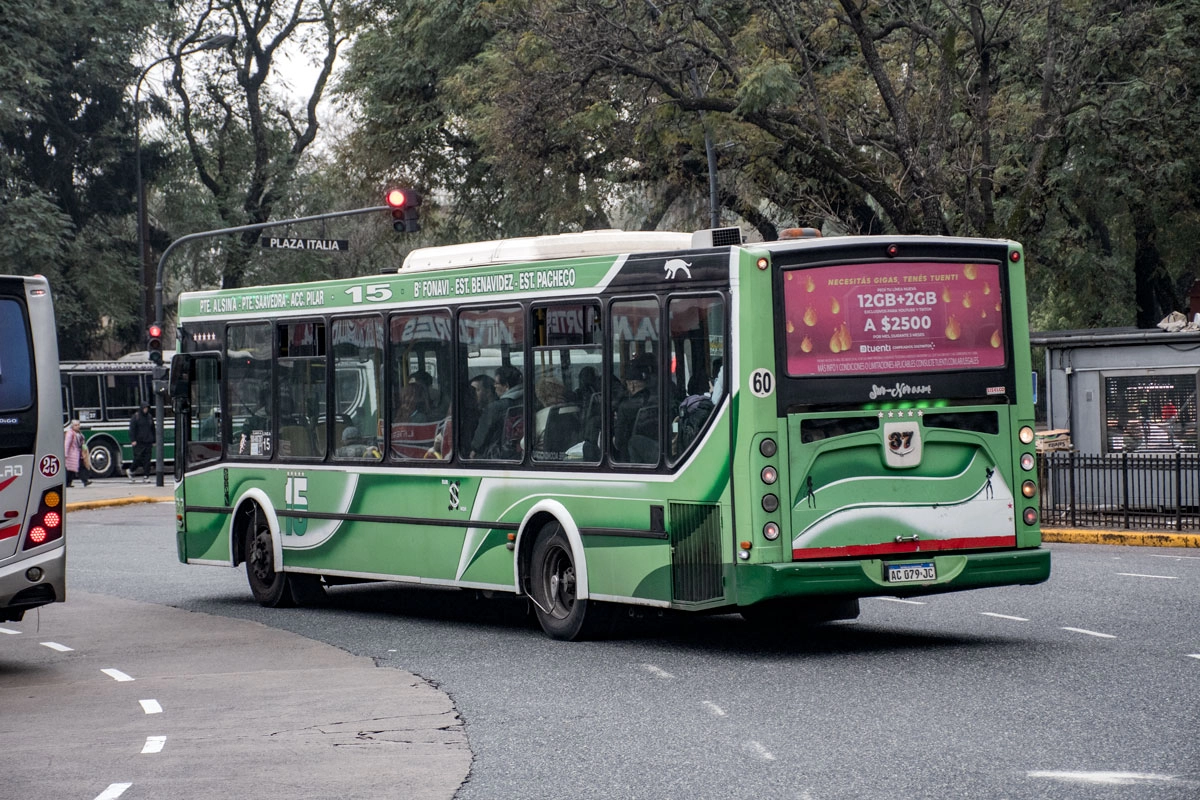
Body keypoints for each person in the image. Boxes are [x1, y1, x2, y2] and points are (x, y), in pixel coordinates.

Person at [470, 365, 523, 458]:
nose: (494, 386)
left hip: (497, 455)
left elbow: (480, 439)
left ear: (506, 386)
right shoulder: (527, 401)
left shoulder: (495, 408)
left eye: (497, 383)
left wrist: (474, 450)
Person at [614, 354, 657, 462]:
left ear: (632, 385)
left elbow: (619, 442)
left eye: (627, 384)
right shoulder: (657, 401)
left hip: (632, 460)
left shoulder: (625, 407)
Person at [127, 402, 155, 482]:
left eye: (147, 408)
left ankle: (146, 476)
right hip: (139, 442)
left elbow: (153, 429)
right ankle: (131, 470)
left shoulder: (149, 417)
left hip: (148, 441)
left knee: (147, 460)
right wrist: (133, 440)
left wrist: (154, 440)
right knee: (138, 458)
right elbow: (132, 429)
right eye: (145, 408)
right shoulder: (136, 417)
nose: (146, 410)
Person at [64, 420, 91, 488]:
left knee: (80, 467)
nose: (77, 426)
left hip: (79, 453)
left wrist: (85, 450)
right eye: (76, 425)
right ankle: (68, 483)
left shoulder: (79, 433)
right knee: (71, 470)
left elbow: (82, 443)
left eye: (78, 425)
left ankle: (85, 481)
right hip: (72, 454)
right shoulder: (70, 433)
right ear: (72, 426)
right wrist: (65, 454)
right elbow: (67, 444)